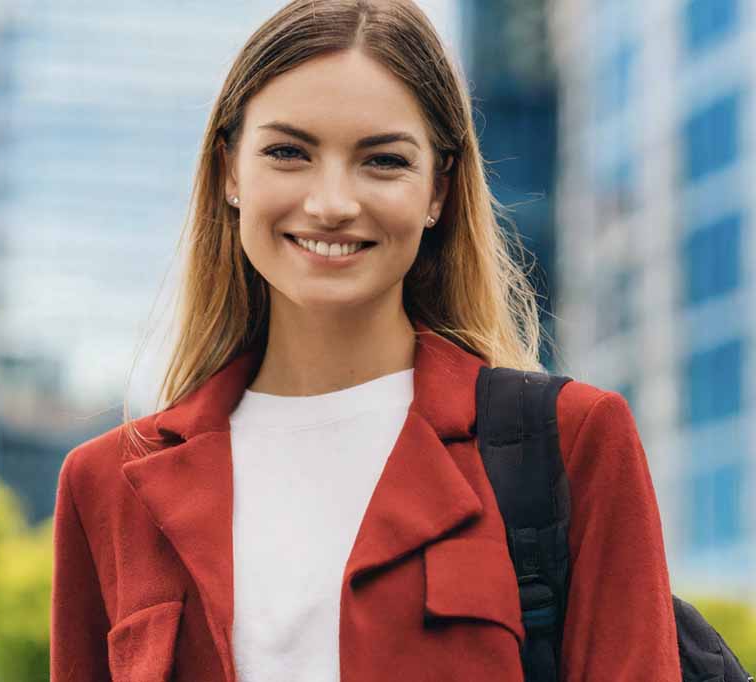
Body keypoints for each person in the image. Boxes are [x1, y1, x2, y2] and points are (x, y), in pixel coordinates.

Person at [49, 0, 679, 679]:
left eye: (381, 161)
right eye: (288, 152)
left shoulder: (574, 441)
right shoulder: (105, 486)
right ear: (231, 170)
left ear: (439, 188)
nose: (331, 203)